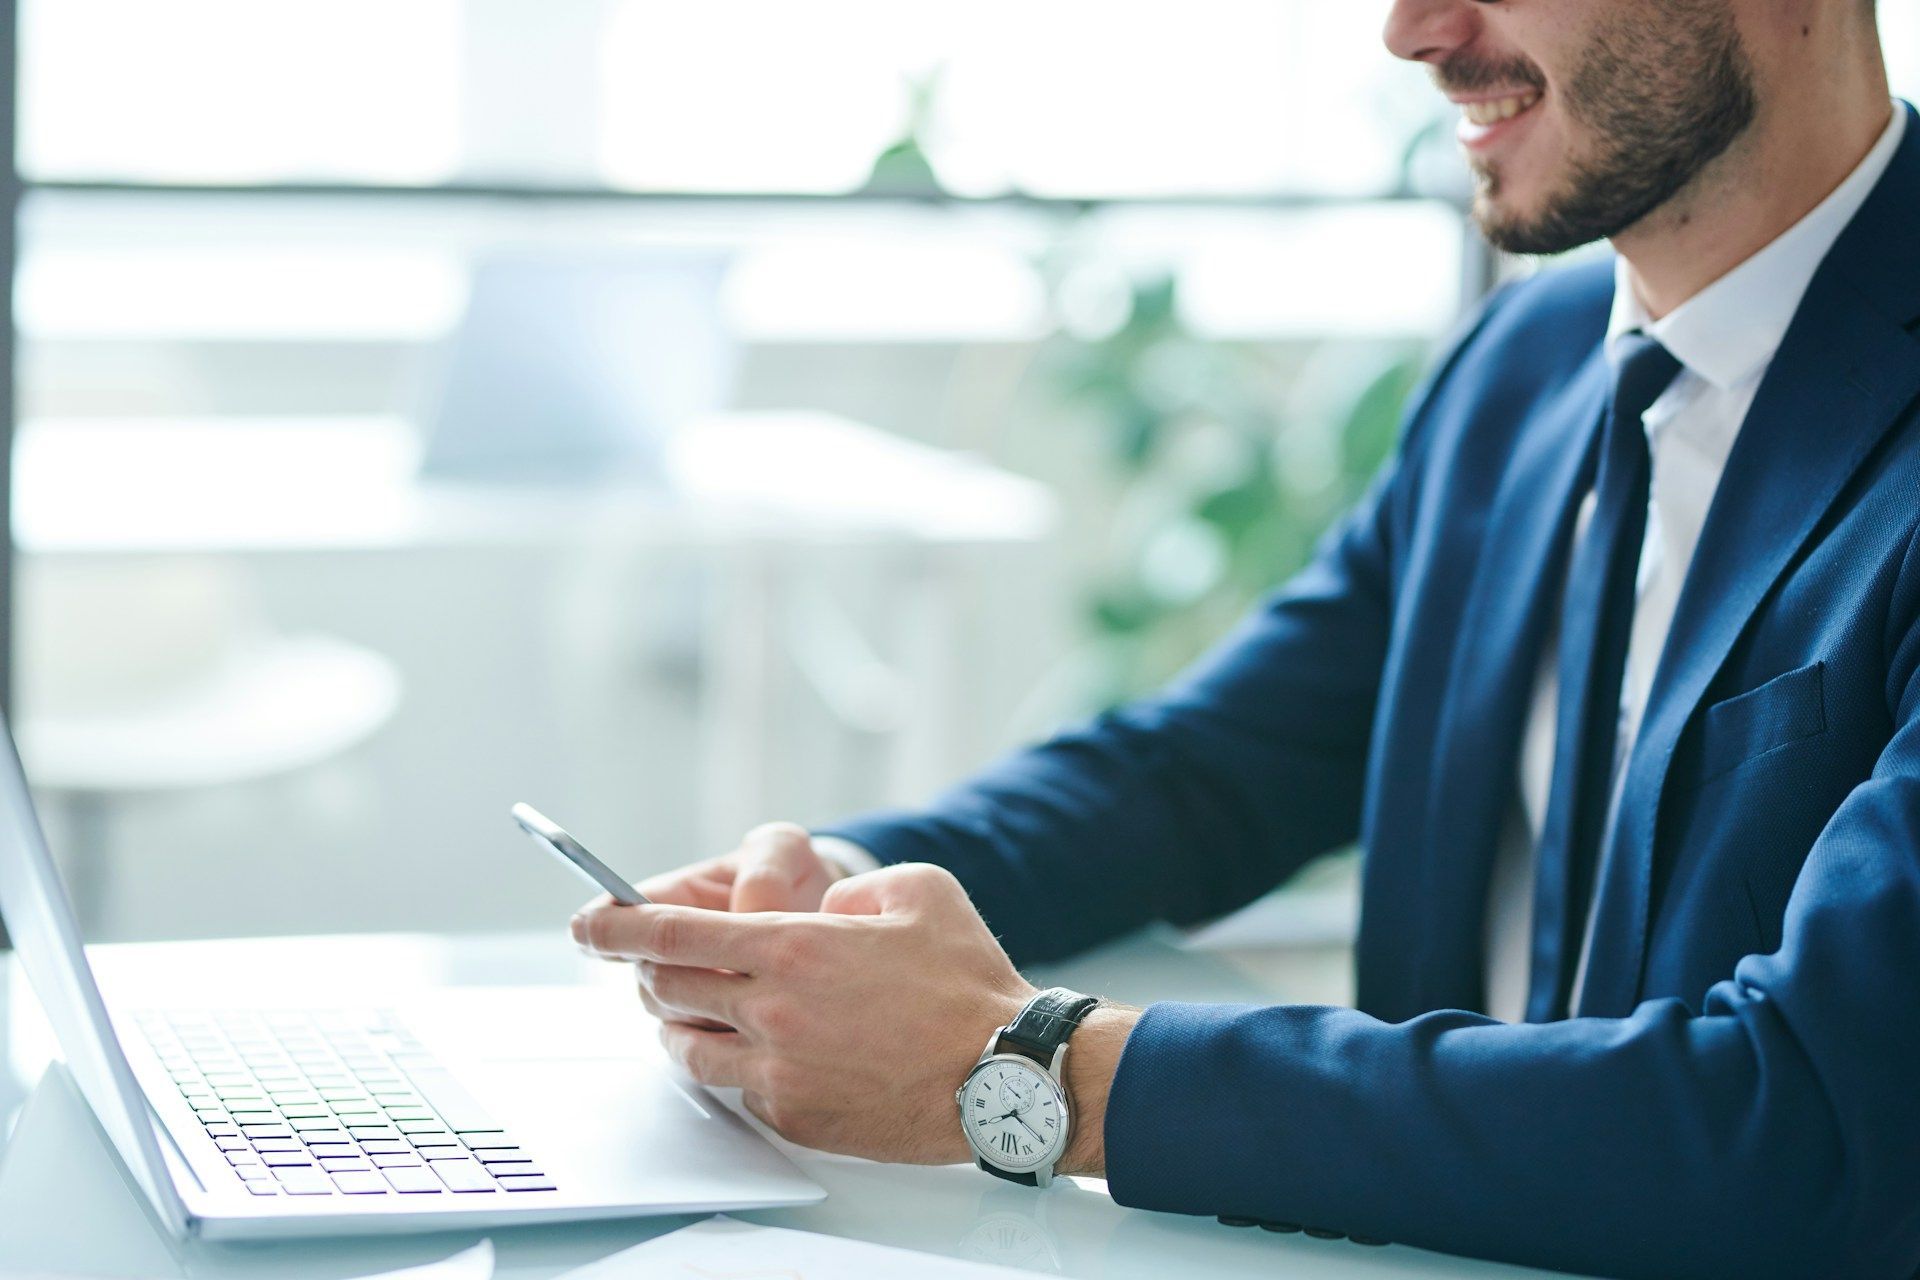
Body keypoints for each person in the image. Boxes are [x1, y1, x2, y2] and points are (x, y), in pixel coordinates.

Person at [572, 1, 1920, 1274]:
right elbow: (1219, 765)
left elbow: (1811, 1117)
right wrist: (835, 896)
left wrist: (1028, 1066)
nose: (1413, 32)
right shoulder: (1522, 370)